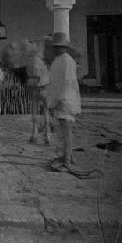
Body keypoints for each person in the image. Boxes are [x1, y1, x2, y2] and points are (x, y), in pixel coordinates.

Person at [47, 32, 81, 167]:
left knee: (66, 131)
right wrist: (52, 100)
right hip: (58, 99)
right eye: (55, 47)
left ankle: (67, 161)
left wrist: (60, 99)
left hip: (66, 99)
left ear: (65, 48)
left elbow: (67, 83)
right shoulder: (57, 61)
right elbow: (54, 82)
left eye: (60, 47)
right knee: (60, 132)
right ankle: (69, 157)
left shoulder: (68, 61)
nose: (57, 49)